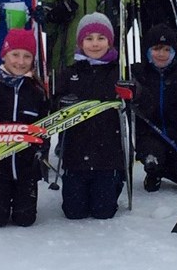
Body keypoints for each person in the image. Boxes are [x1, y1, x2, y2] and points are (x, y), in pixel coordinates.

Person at [52, 13, 124, 219]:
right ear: (80, 42)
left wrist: (133, 91)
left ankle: (115, 181)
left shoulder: (118, 72)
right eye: (89, 38)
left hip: (107, 156)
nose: (95, 44)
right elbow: (54, 105)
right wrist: (61, 103)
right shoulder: (70, 73)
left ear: (109, 42)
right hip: (76, 154)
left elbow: (142, 101)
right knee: (74, 212)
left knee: (104, 212)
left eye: (101, 38)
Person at [0, 29, 50, 227]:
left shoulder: (37, 91)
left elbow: (45, 128)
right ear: (4, 55)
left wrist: (41, 153)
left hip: (27, 167)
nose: (20, 61)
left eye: (27, 56)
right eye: (15, 54)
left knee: (25, 219)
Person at [131, 24, 177, 194]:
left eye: (166, 49)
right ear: (148, 50)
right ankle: (155, 169)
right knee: (153, 157)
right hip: (150, 134)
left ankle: (169, 167)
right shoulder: (139, 73)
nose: (161, 54)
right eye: (156, 49)